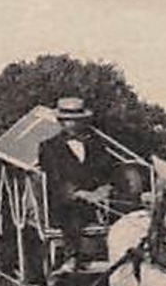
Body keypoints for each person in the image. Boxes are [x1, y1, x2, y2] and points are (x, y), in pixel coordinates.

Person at [36, 96, 116, 272]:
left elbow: (107, 171)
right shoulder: (49, 147)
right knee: (72, 213)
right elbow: (55, 180)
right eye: (66, 121)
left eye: (76, 121)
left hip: (98, 202)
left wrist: (105, 188)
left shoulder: (96, 145)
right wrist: (81, 194)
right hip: (64, 202)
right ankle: (72, 256)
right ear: (60, 121)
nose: (71, 125)